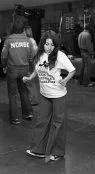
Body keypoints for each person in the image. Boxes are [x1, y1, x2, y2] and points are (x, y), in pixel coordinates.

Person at [22, 32, 76, 163]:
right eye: (47, 44)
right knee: (42, 121)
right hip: (44, 95)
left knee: (58, 123)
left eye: (52, 44)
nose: (49, 47)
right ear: (43, 44)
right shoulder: (40, 55)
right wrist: (30, 78)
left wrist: (65, 81)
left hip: (58, 95)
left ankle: (58, 152)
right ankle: (39, 149)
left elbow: (72, 70)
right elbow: (37, 69)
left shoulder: (59, 55)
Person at [1, 18, 33, 125]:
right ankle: (28, 113)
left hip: (12, 70)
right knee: (24, 91)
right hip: (25, 69)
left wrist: (4, 66)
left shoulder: (9, 40)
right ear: (23, 29)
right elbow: (31, 56)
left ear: (13, 29)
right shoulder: (28, 40)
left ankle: (15, 118)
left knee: (12, 94)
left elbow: (4, 56)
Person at [24, 26, 39, 105]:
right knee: (30, 81)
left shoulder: (27, 40)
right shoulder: (32, 40)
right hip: (32, 62)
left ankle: (33, 100)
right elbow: (36, 51)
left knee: (29, 81)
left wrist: (30, 58)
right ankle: (32, 99)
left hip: (28, 63)